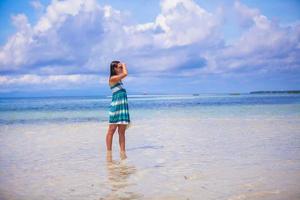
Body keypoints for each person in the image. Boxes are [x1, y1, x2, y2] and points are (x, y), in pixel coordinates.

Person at [106, 60, 131, 160]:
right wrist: (124, 65)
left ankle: (123, 153)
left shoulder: (119, 80)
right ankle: (109, 153)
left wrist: (121, 65)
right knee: (111, 130)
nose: (121, 68)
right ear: (114, 69)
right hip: (116, 108)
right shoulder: (113, 79)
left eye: (121, 67)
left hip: (123, 108)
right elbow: (125, 73)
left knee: (122, 132)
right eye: (119, 67)